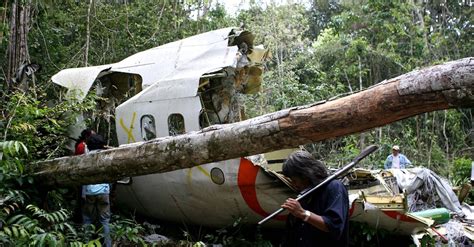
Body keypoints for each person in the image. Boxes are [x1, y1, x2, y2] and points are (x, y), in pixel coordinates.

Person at [281, 150, 349, 247]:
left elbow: (334, 225)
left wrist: (303, 213)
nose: (293, 184)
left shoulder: (334, 187)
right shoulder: (304, 194)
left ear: (305, 175)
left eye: (295, 180)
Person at [82, 133, 112, 247]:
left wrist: (83, 193)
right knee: (104, 220)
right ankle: (107, 244)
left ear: (88, 145)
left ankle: (86, 243)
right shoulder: (106, 157)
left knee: (87, 219)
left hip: (89, 192)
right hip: (104, 191)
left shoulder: (85, 158)